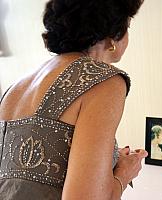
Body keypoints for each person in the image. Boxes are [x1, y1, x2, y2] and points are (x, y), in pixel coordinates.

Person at [0, 0, 147, 199]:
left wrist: (109, 159)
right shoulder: (104, 81)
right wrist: (123, 174)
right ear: (114, 35)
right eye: (127, 25)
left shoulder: (18, 86)